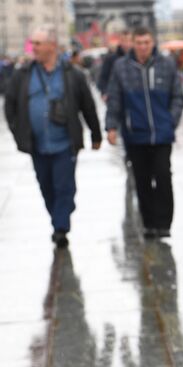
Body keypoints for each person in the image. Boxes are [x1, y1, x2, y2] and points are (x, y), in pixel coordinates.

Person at [4, 24, 102, 248]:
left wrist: (96, 134)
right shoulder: (23, 74)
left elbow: (88, 106)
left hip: (64, 143)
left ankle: (60, 226)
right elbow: (9, 105)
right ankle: (61, 213)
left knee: (64, 186)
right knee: (46, 186)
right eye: (33, 43)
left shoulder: (73, 74)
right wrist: (18, 131)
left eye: (38, 43)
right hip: (37, 145)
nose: (33, 47)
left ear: (52, 46)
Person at [105, 26, 183, 239]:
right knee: (141, 181)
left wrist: (171, 120)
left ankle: (164, 222)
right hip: (135, 135)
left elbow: (179, 95)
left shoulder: (166, 64)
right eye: (139, 43)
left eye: (146, 42)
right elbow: (114, 99)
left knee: (162, 176)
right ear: (132, 43)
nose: (142, 47)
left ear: (152, 43)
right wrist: (111, 126)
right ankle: (149, 223)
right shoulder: (121, 67)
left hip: (162, 133)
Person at [97, 30, 132, 101]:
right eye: (124, 40)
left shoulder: (139, 58)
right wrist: (104, 93)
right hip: (117, 98)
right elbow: (103, 79)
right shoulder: (110, 59)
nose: (127, 44)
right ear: (120, 41)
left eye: (129, 40)